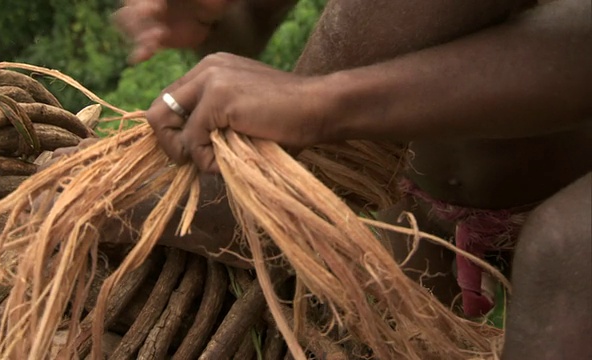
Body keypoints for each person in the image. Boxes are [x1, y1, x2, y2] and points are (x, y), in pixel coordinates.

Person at [105, 0, 592, 358]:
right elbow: (249, 26)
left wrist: (320, 104)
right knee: (355, 338)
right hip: (418, 207)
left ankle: (267, 190)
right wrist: (210, 18)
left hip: (569, 182)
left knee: (566, 250)